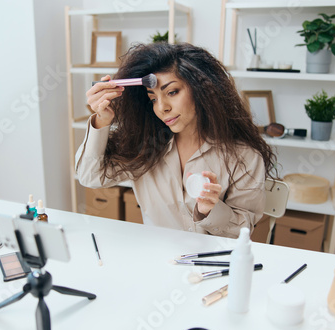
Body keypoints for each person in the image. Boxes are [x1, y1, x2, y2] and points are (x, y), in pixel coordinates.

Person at [75, 42, 278, 238]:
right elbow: (90, 177)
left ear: (202, 90)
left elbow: (243, 232)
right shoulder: (144, 147)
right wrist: (102, 120)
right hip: (159, 260)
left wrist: (209, 211)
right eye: (153, 98)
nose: (162, 107)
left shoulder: (244, 156)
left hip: (214, 263)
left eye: (172, 92)